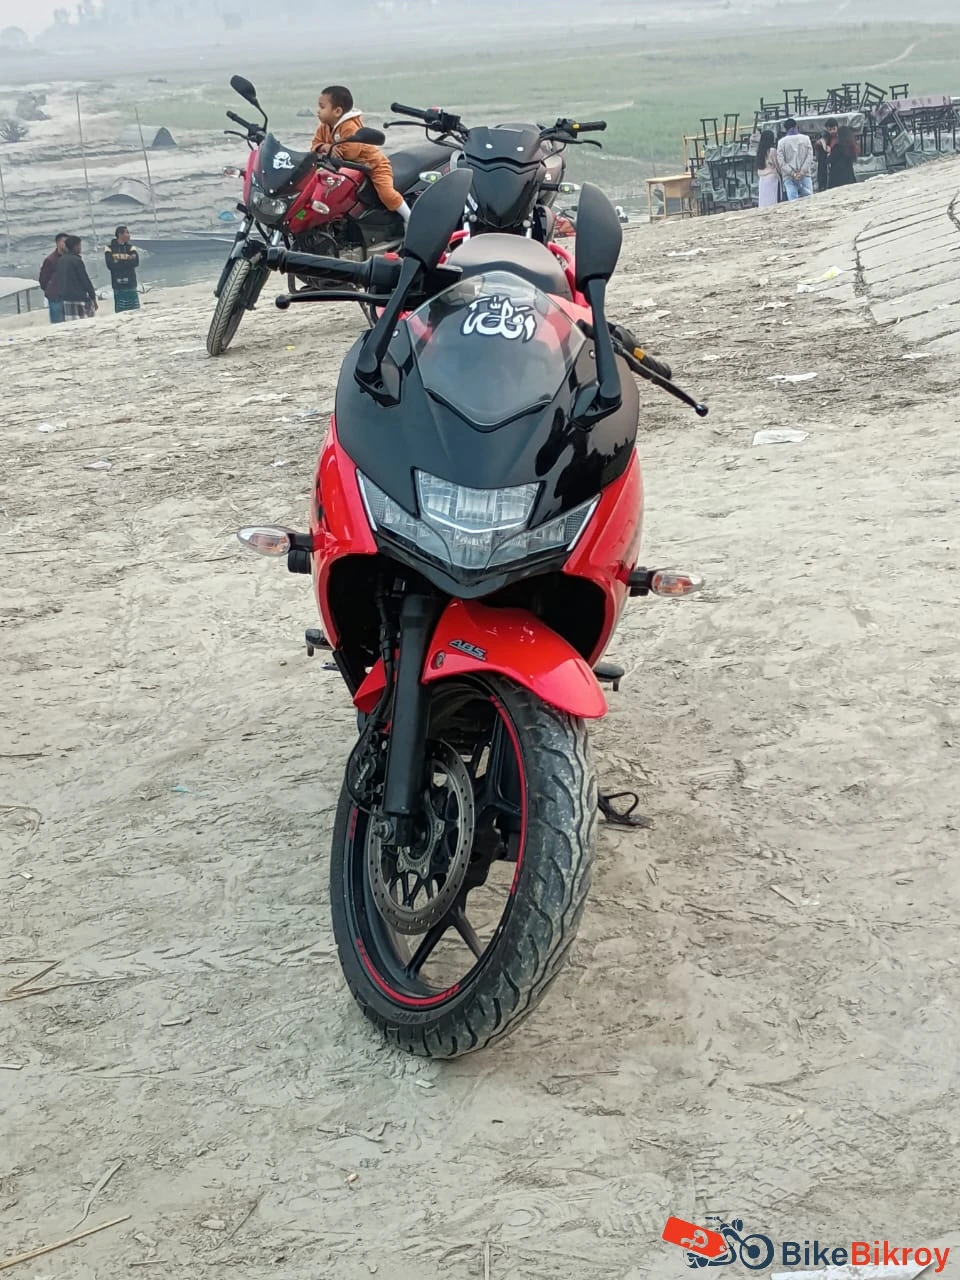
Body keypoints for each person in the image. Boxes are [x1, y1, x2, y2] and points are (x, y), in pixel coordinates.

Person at [310, 84, 411, 222]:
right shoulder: (323, 127)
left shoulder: (349, 126)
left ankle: (409, 218)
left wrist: (330, 149)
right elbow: (315, 145)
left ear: (337, 111)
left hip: (373, 165)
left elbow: (351, 152)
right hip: (347, 168)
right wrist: (325, 147)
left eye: (322, 107)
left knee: (387, 194)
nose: (318, 111)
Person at [55, 236, 98, 321]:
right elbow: (84, 280)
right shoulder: (76, 260)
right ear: (75, 246)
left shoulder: (61, 260)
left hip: (66, 298)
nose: (80, 248)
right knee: (86, 321)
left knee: (72, 322)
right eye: (79, 245)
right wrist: (93, 297)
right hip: (79, 297)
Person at [776, 119, 814, 201]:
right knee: (809, 200)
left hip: (789, 176)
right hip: (805, 174)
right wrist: (802, 172)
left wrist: (793, 173)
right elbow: (810, 157)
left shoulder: (781, 142)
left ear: (785, 129)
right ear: (796, 126)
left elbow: (781, 162)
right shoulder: (806, 139)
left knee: (793, 201)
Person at [104, 225, 140, 312]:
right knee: (120, 309)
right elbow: (110, 265)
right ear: (120, 234)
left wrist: (118, 260)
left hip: (131, 282)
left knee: (134, 309)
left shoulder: (131, 248)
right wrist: (128, 258)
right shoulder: (109, 248)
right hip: (118, 284)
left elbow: (135, 262)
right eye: (127, 233)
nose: (129, 235)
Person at [38, 232, 69, 324]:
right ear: (58, 243)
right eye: (64, 242)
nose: (67, 244)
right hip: (55, 296)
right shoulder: (50, 259)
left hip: (69, 294)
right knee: (57, 322)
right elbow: (43, 279)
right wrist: (51, 288)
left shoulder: (70, 257)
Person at [756, 130, 781, 208]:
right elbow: (777, 164)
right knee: (772, 199)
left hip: (762, 178)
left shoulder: (759, 151)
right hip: (771, 177)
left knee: (764, 200)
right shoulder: (772, 151)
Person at [814, 118, 838, 192]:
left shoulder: (839, 137)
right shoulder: (825, 136)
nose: (832, 131)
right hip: (824, 165)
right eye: (830, 129)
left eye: (834, 129)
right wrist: (820, 144)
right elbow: (817, 146)